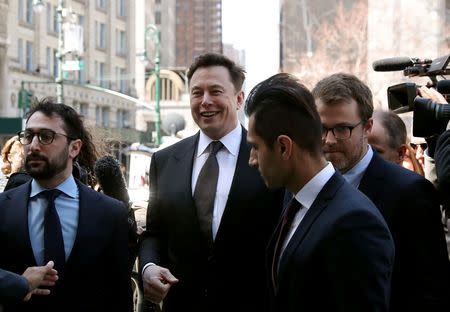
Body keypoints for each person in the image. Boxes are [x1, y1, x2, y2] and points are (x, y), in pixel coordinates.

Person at [138, 53, 283, 312]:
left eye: (215, 91)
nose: (205, 101)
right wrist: (148, 267)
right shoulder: (165, 160)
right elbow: (155, 232)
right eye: (197, 93)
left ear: (239, 99)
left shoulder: (271, 156)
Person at [245, 73, 394, 311]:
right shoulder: (294, 202)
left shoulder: (354, 222)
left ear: (284, 147)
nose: (252, 160)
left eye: (255, 147)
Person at [313, 73, 450, 311]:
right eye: (322, 129)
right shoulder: (302, 187)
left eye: (342, 129)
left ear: (367, 127)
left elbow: (428, 291)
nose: (329, 140)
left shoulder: (410, 193)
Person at [0, 99, 132, 312]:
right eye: (28, 136)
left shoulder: (109, 212)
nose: (33, 145)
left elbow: (119, 295)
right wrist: (16, 284)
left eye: (45, 137)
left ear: (74, 148)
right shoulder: (4, 208)